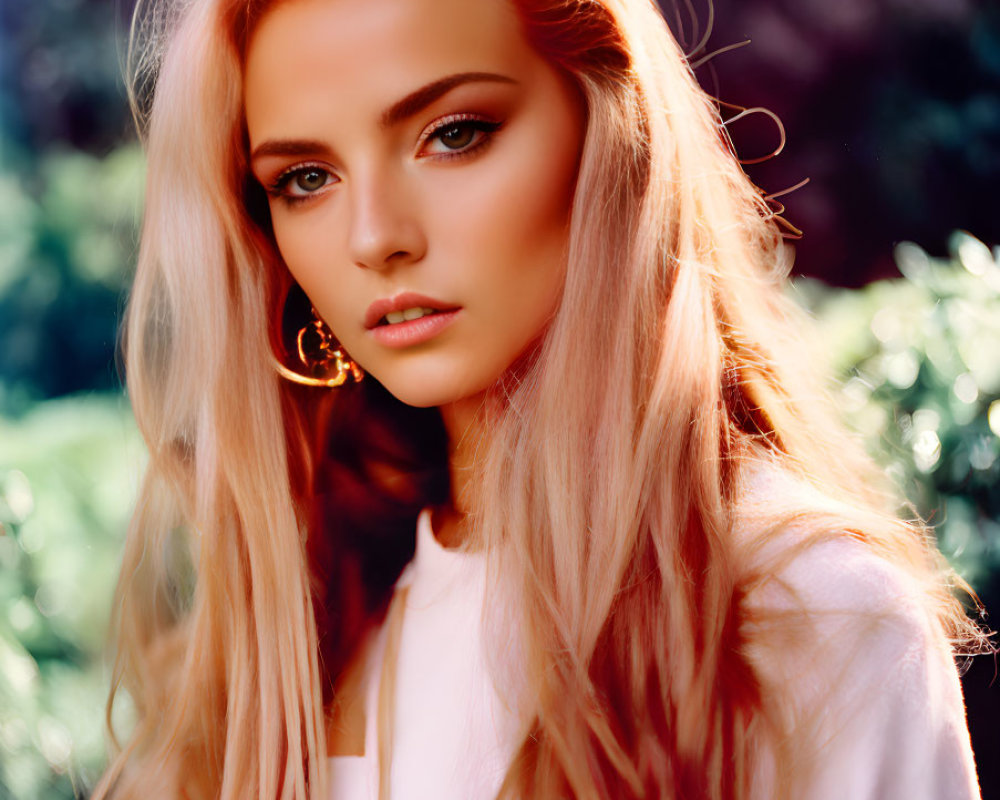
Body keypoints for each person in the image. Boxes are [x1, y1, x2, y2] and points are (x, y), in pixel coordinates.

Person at [94, 0, 988, 797]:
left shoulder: (811, 617)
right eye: (305, 179)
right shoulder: (288, 647)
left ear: (609, 126)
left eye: (453, 132)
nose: (374, 238)